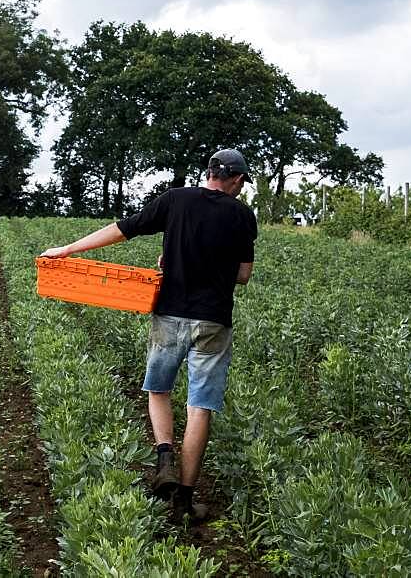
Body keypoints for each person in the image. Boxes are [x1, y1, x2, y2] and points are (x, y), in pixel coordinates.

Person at [39, 148, 257, 523]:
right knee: (200, 406)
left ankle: (164, 458)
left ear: (209, 172)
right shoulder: (242, 215)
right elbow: (243, 275)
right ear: (236, 180)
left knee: (158, 390)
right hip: (214, 323)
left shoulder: (175, 199)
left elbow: (123, 229)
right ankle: (185, 503)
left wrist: (68, 249)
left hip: (170, 315)